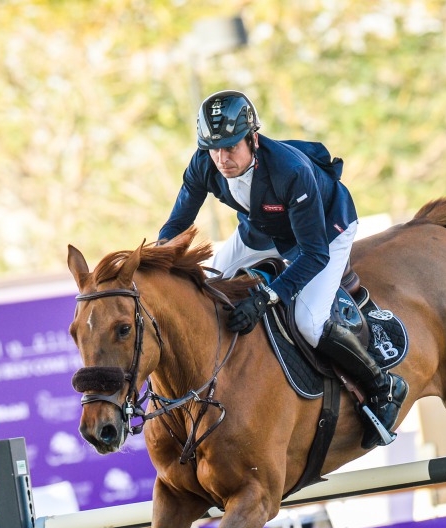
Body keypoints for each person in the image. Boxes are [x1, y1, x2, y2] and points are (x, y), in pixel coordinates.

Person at [158, 89, 407, 447]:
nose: (222, 159)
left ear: (253, 139)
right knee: (207, 290)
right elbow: (174, 228)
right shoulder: (203, 163)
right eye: (214, 149)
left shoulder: (290, 171)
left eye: (230, 148)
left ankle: (383, 386)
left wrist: (266, 297)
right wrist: (154, 265)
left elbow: (313, 254)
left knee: (309, 320)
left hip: (325, 232)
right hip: (262, 229)